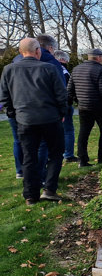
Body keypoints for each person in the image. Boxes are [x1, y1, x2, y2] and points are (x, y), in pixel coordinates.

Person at [0, 38, 67, 204]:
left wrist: (14, 113)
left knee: (29, 157)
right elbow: (61, 94)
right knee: (55, 153)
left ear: (20, 52)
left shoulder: (9, 69)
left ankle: (30, 195)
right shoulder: (49, 68)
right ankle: (49, 189)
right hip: (50, 118)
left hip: (25, 119)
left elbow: (5, 97)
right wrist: (62, 112)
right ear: (38, 51)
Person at [68, 48, 102, 167]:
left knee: (84, 132)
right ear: (98, 57)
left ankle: (82, 159)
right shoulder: (101, 70)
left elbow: (70, 89)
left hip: (83, 106)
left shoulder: (76, 69)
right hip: (99, 107)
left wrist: (78, 100)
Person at [55, 51, 77, 162]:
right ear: (62, 59)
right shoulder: (64, 71)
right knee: (68, 130)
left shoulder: (50, 68)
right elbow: (69, 89)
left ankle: (57, 153)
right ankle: (68, 154)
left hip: (53, 105)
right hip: (64, 104)